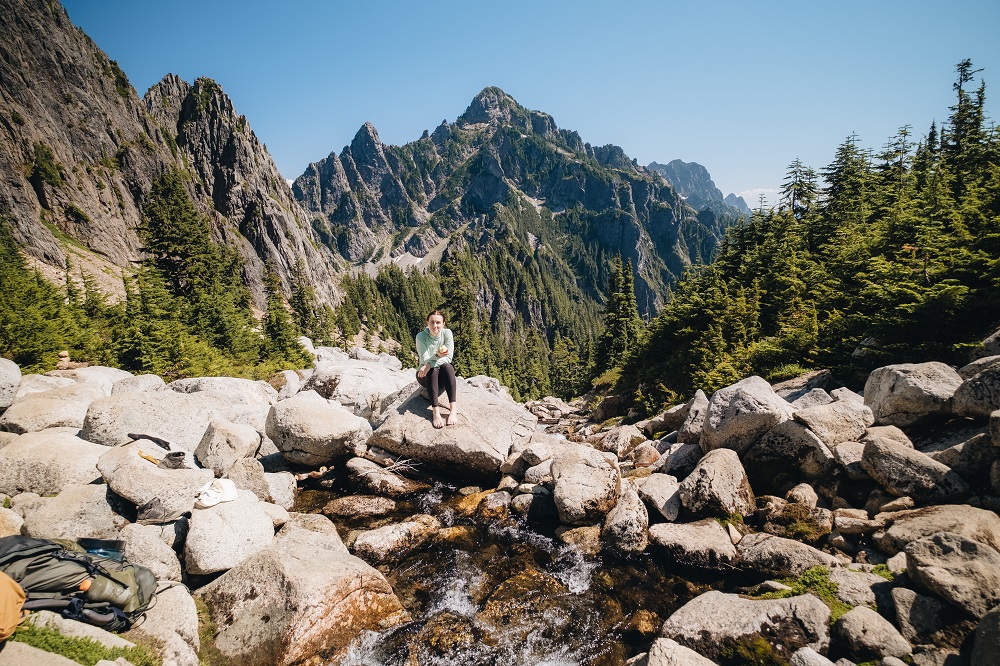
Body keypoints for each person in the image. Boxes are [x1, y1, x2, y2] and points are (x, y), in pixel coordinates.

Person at [415, 310, 458, 428]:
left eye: (438, 322)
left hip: (441, 376)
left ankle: (453, 410)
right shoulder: (421, 337)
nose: (435, 326)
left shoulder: (447, 333)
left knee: (448, 367)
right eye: (432, 322)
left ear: (443, 324)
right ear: (427, 323)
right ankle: (436, 412)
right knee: (433, 370)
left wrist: (430, 363)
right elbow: (424, 359)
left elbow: (449, 357)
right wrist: (437, 356)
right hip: (424, 375)